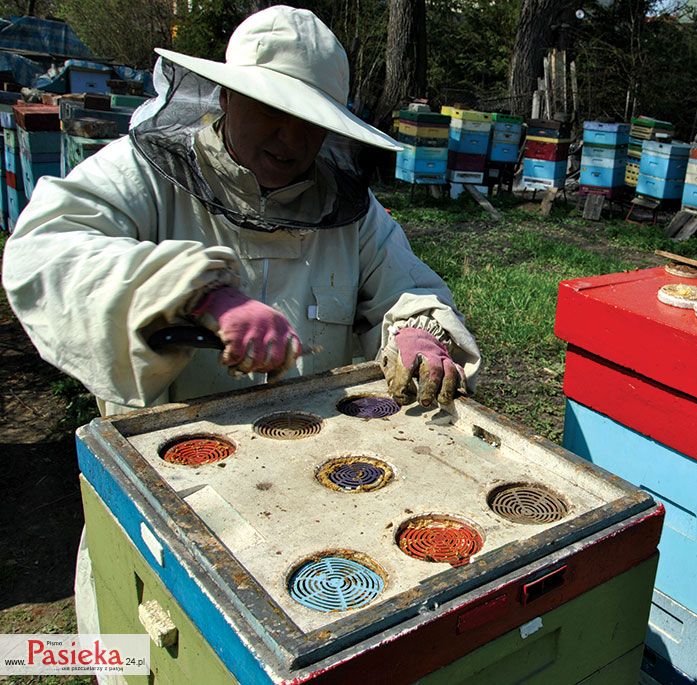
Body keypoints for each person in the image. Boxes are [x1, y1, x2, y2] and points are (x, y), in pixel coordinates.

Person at [1, 5, 480, 645]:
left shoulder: (353, 215)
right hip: (174, 487)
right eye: (271, 112)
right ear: (225, 95)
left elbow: (407, 286)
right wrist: (197, 294)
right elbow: (45, 250)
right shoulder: (141, 174)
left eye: (309, 122)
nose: (291, 140)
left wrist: (417, 329)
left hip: (319, 487)